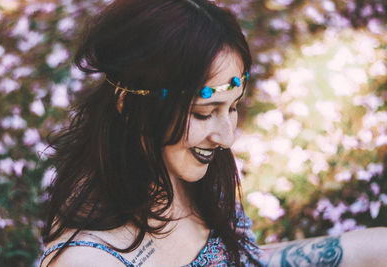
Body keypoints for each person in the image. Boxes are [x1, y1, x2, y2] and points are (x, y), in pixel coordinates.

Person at [40, 0, 387, 266]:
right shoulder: (89, 259)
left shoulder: (187, 175)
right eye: (203, 113)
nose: (226, 137)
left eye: (233, 108)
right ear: (130, 107)